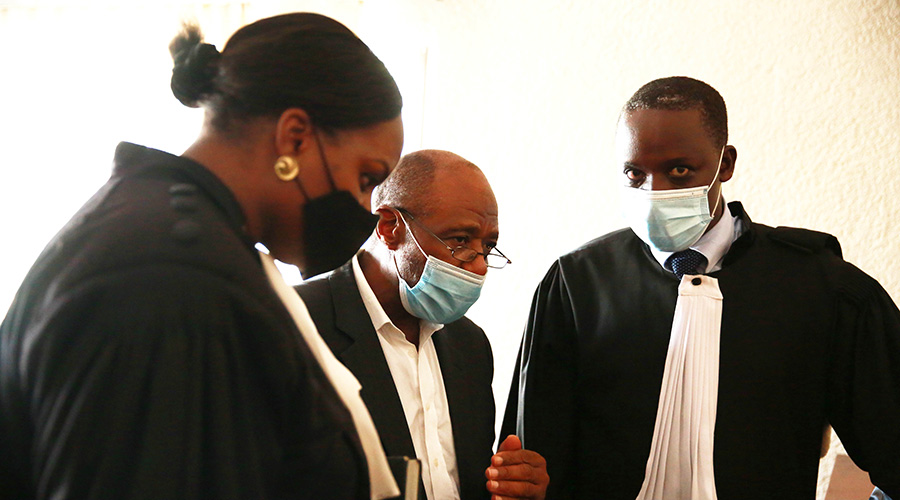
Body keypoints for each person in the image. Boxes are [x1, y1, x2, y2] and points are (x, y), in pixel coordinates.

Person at [0, 13, 406, 500]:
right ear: (294, 136)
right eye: (366, 179)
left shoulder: (167, 229)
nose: (363, 211)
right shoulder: (176, 280)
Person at [501, 76, 900, 499]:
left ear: (725, 164)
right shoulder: (577, 285)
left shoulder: (823, 290)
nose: (654, 192)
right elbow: (530, 466)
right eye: (635, 174)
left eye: (679, 170)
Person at [296, 150, 549, 500]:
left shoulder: (469, 345)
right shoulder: (297, 324)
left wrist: (513, 487)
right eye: (461, 240)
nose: (479, 267)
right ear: (390, 228)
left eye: (487, 245)